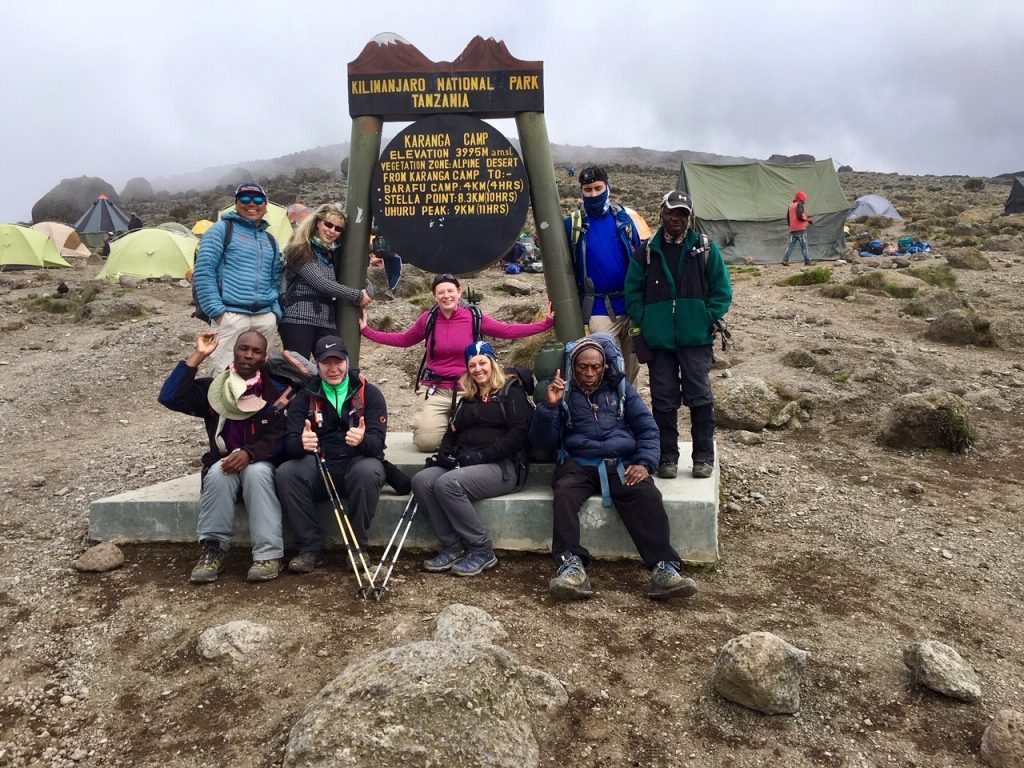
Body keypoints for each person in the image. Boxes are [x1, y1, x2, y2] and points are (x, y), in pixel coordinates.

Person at [529, 337, 698, 601]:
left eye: (595, 367)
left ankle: (664, 568)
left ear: (605, 366)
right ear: (574, 366)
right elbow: (542, 442)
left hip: (620, 462)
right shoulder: (563, 393)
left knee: (646, 495)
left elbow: (647, 428)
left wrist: (644, 463)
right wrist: (549, 407)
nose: (588, 373)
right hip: (578, 463)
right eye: (583, 367)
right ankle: (571, 566)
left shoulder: (621, 389)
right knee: (564, 494)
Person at [360, 272, 554, 452]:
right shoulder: (428, 319)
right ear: (434, 295)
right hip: (435, 388)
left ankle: (455, 427)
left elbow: (507, 330)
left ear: (459, 292)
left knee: (475, 439)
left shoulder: (473, 316)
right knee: (427, 443)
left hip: (469, 389)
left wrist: (545, 324)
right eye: (441, 292)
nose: (446, 296)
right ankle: (444, 425)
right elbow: (403, 340)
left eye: (450, 291)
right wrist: (367, 331)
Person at [158, 330, 287, 583]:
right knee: (219, 471)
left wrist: (250, 453)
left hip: (260, 467)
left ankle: (268, 554)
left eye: (256, 351)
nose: (248, 355)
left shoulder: (275, 394)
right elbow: (169, 397)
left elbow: (281, 437)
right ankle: (213, 549)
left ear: (264, 358)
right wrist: (198, 355)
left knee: (256, 471)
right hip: (224, 462)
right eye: (243, 348)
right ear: (234, 350)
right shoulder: (213, 389)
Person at [624, 190, 733, 480]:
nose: (676, 218)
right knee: (663, 399)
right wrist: (646, 320)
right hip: (660, 342)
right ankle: (667, 457)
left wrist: (705, 316)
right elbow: (632, 292)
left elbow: (722, 291)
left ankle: (703, 458)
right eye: (671, 212)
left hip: (696, 339)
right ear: (661, 212)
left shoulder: (705, 249)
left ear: (689, 218)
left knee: (700, 398)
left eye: (682, 213)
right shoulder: (647, 251)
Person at [412, 342, 531, 577]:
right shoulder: (468, 399)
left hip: (502, 467)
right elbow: (452, 432)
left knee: (448, 484)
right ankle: (453, 546)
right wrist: (445, 453)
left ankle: (481, 548)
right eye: (472, 365)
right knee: (422, 481)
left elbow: (517, 436)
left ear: (493, 363)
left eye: (482, 363)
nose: (478, 369)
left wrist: (482, 456)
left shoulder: (511, 393)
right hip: (466, 463)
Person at [275, 336, 388, 574]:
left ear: (347, 361)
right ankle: (310, 549)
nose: (333, 369)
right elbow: (290, 444)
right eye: (327, 363)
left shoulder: (370, 394)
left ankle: (358, 547)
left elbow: (377, 445)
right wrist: (301, 443)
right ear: (317, 365)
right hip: (320, 469)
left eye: (338, 361)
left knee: (370, 469)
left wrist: (363, 440)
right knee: (288, 472)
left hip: (355, 468)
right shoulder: (304, 397)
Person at [565, 166, 643, 387]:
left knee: (631, 365)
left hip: (630, 305)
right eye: (588, 189)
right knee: (604, 363)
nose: (593, 194)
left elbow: (638, 256)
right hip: (598, 307)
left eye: (598, 188)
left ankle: (631, 410)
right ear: (581, 191)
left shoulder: (624, 219)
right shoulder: (573, 224)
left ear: (607, 187)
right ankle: (609, 412)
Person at [193, 182, 282, 373]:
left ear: (265, 207)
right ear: (236, 204)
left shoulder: (271, 241)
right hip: (231, 316)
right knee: (222, 372)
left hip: (264, 317)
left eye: (258, 199)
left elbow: (276, 278)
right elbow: (203, 271)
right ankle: (217, 404)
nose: (252, 203)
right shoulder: (221, 230)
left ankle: (253, 404)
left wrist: (274, 312)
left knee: (259, 373)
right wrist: (218, 313)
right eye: (245, 198)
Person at [279, 203, 371, 360]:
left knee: (335, 365)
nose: (332, 231)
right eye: (328, 224)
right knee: (298, 372)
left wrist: (367, 291)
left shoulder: (332, 254)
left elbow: (362, 281)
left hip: (327, 321)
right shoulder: (299, 249)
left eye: (338, 229)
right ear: (317, 222)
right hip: (297, 319)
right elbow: (321, 283)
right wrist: (357, 295)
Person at [782, 190, 813, 266]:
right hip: (800, 229)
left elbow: (788, 218)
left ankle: (785, 260)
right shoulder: (799, 204)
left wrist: (790, 226)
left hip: (793, 229)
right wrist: (808, 219)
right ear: (802, 199)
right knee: (804, 245)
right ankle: (807, 261)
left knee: (791, 245)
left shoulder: (790, 205)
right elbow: (800, 215)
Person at [369, 225, 402, 292]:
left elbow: (373, 231)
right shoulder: (393, 223)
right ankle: (391, 289)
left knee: (389, 273)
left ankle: (391, 289)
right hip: (393, 252)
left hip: (383, 251)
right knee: (396, 274)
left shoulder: (379, 223)